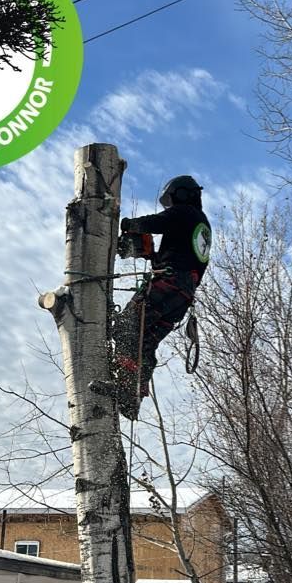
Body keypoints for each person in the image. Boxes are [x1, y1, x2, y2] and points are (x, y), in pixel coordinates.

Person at [112, 175, 211, 419]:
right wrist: (151, 255)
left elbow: (155, 222)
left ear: (182, 194)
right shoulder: (199, 225)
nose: (170, 206)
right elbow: (180, 255)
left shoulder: (185, 212)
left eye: (171, 200)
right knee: (146, 342)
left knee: (128, 326)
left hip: (169, 284)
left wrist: (129, 224)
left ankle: (125, 385)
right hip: (182, 296)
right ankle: (133, 396)